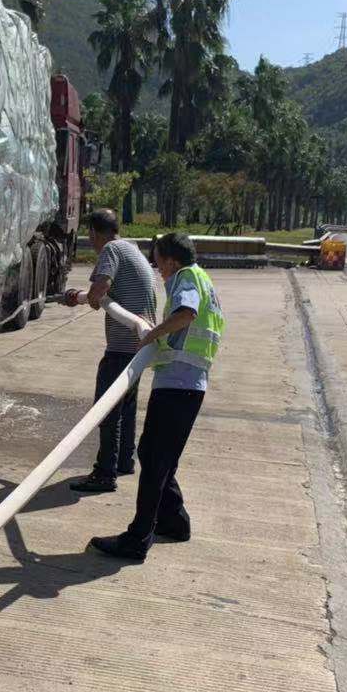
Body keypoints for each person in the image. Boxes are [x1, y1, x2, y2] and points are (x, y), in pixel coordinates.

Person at [90, 231, 224, 562]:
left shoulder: (186, 277)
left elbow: (186, 314)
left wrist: (153, 334)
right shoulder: (202, 278)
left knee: (154, 460)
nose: (158, 268)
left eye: (159, 261)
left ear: (172, 261)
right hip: (189, 384)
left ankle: (137, 538)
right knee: (157, 456)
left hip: (178, 384)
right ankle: (174, 522)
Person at [63, 208, 157, 493]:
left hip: (122, 347)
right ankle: (124, 461)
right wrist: (85, 297)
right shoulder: (133, 249)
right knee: (126, 406)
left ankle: (105, 474)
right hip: (140, 346)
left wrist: (88, 298)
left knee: (106, 410)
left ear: (93, 232)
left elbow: (98, 291)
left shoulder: (111, 250)